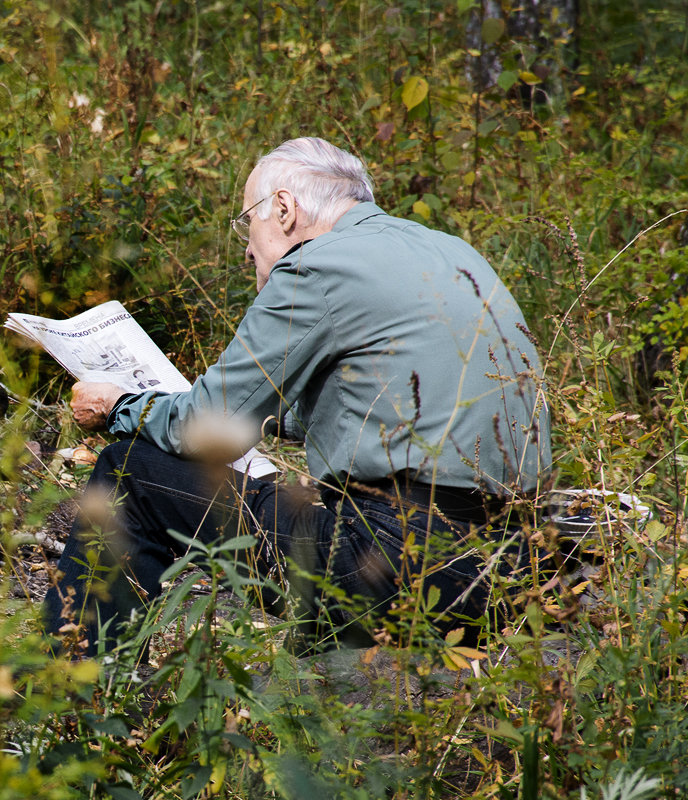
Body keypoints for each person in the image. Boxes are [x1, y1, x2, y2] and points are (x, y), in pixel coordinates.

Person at [43, 137, 551, 656]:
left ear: (284, 208)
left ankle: (73, 688)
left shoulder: (318, 265)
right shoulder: (451, 251)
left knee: (132, 471)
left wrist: (121, 405)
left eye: (248, 223)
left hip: (391, 565)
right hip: (503, 568)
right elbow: (390, 408)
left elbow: (202, 425)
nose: (246, 248)